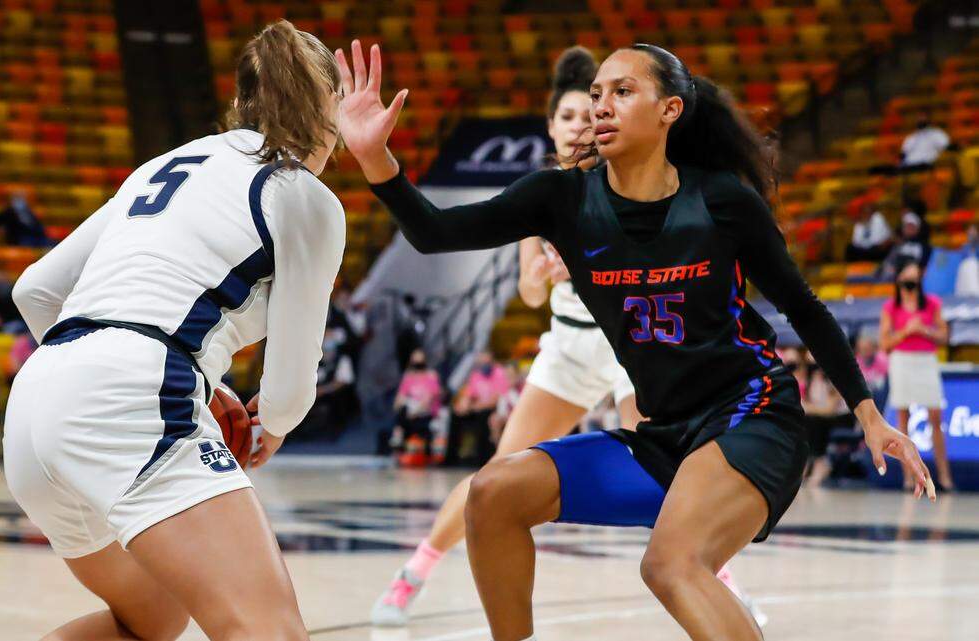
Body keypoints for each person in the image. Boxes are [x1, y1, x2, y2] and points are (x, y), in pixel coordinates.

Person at [338, 40, 933, 641]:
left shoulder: (720, 200)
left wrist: (868, 413)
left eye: (622, 92)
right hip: (664, 436)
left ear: (670, 109)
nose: (602, 106)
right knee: (493, 493)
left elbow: (803, 307)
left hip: (753, 419)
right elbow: (435, 231)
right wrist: (375, 158)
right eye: (597, 93)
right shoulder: (563, 197)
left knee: (670, 564)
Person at [371, 46, 761, 627]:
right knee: (497, 478)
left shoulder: (633, 179)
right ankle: (417, 571)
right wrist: (542, 271)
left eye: (590, 112)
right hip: (571, 346)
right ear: (552, 127)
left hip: (633, 348)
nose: (583, 122)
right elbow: (529, 293)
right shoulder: (545, 193)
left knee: (670, 467)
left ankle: (716, 578)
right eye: (570, 116)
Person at [3, 20, 345, 641]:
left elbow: (35, 289)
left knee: (152, 621)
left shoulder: (168, 162)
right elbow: (290, 389)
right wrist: (271, 425)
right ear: (326, 113)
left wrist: (103, 372)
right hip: (136, 390)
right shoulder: (305, 195)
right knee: (271, 630)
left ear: (242, 101)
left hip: (33, 404)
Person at [880, 260, 953, 491]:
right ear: (899, 279)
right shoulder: (891, 307)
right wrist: (906, 331)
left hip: (926, 361)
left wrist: (924, 330)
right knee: (903, 421)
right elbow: (885, 343)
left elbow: (944, 336)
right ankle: (909, 478)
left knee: (935, 418)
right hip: (901, 361)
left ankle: (943, 475)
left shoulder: (932, 303)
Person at [448, 350, 510, 465]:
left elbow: (496, 399)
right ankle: (451, 458)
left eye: (486, 359)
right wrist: (463, 405)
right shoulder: (476, 374)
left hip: (493, 409)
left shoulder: (500, 373)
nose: (483, 362)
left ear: (492, 359)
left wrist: (474, 406)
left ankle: (482, 459)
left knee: (484, 415)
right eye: (481, 359)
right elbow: (469, 394)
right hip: (476, 408)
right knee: (455, 414)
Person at [390, 348, 444, 456]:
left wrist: (416, 411)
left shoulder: (430, 375)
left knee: (406, 415)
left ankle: (399, 435)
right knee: (403, 410)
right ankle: (398, 437)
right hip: (410, 410)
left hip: (425, 410)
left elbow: (432, 396)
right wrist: (397, 405)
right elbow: (401, 395)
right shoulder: (408, 376)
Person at [881, 211, 932, 278]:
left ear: (918, 229)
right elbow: (888, 264)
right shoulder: (897, 245)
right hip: (891, 277)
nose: (909, 229)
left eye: (912, 227)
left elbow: (925, 268)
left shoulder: (925, 247)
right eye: (907, 226)